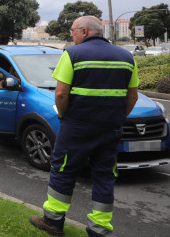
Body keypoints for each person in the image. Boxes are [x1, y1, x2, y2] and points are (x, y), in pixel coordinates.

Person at [29, 16, 139, 237]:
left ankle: (53, 221)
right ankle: (99, 229)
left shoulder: (72, 54)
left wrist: (63, 115)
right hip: (110, 129)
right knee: (105, 175)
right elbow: (132, 97)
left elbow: (60, 93)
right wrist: (116, 118)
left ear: (85, 31)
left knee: (63, 170)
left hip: (77, 126)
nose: (72, 34)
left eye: (73, 30)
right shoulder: (127, 57)